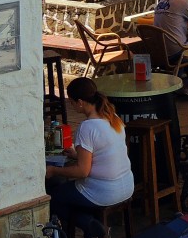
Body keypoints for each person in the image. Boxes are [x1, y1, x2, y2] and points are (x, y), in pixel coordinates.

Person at [45, 77, 133, 228]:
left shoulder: (87, 127)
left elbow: (82, 171)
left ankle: (89, 225)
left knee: (55, 197)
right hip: (126, 186)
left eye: (71, 102)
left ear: (80, 102)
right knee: (69, 192)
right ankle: (90, 223)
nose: (71, 106)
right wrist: (76, 155)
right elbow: (104, 153)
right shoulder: (113, 117)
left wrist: (53, 170)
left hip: (104, 191)